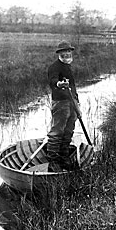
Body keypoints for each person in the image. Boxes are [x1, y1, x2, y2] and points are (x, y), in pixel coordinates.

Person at [47, 41, 79, 171]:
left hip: (71, 102)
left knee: (69, 130)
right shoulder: (54, 67)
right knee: (57, 131)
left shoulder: (68, 66)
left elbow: (73, 86)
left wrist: (77, 102)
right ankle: (53, 161)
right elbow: (53, 81)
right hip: (61, 103)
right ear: (59, 53)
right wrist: (59, 84)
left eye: (69, 51)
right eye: (63, 52)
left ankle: (64, 158)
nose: (66, 53)